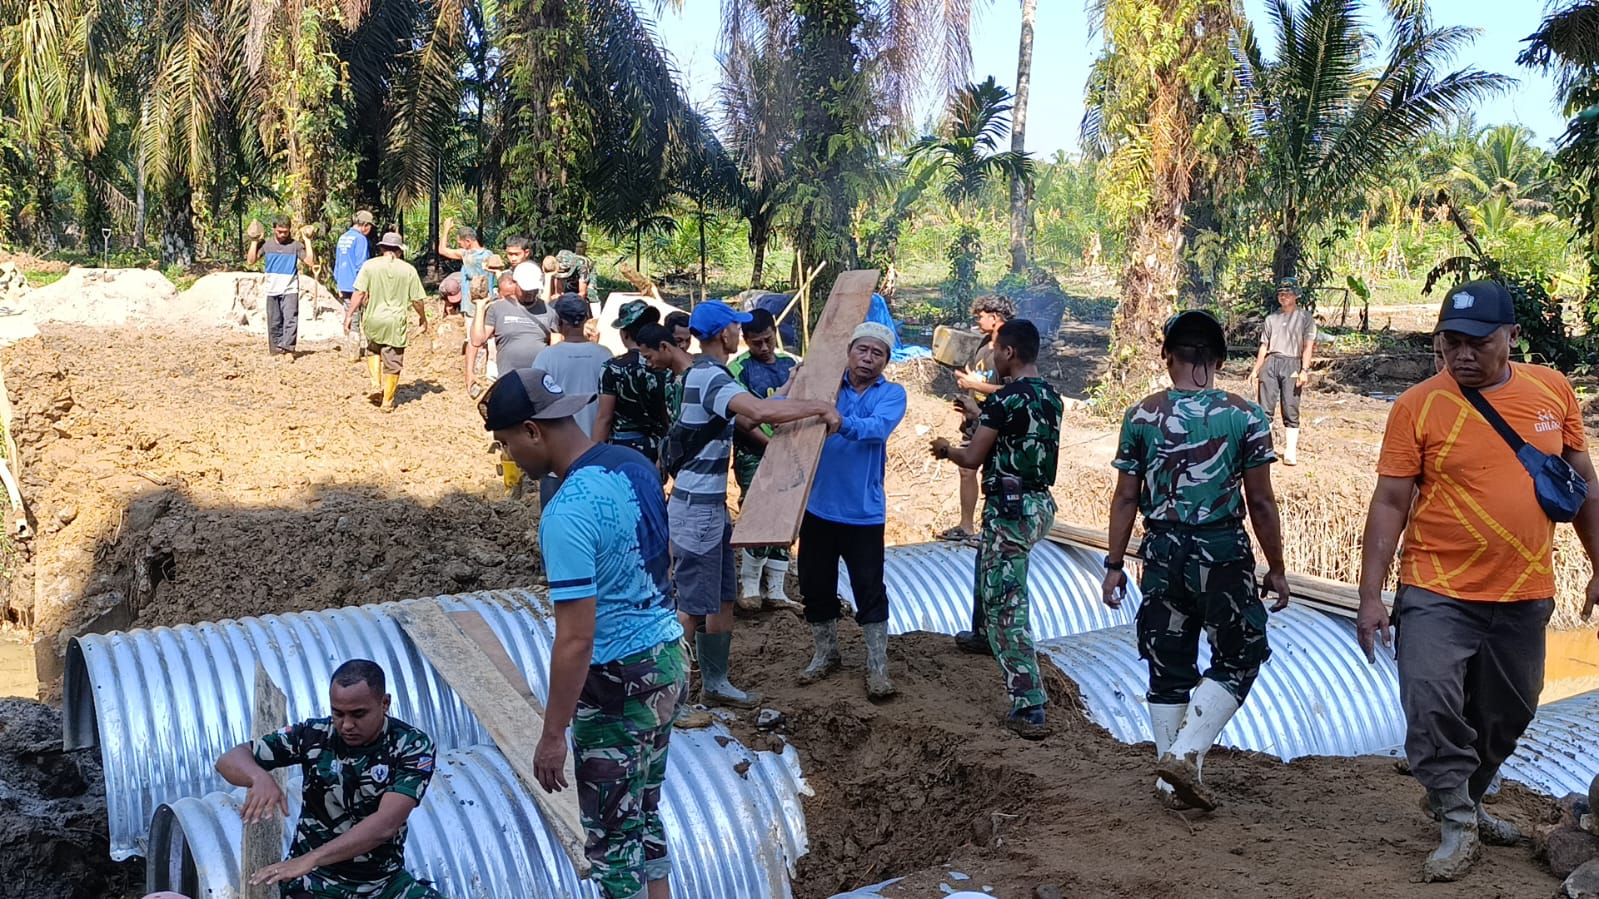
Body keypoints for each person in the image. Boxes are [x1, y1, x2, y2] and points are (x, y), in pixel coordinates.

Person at [1355, 279, 1599, 883]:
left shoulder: (1552, 391)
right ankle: (1459, 820)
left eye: (1477, 343)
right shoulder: (1418, 405)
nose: (1462, 355)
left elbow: (1583, 485)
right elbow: (1390, 502)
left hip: (1524, 589)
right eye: (1450, 342)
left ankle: (1462, 793)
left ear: (1511, 337)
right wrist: (1370, 596)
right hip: (1437, 586)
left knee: (1508, 713)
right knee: (1430, 698)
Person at [480, 369, 687, 899]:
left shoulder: (567, 512)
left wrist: (553, 734)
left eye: (505, 443)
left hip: (617, 682)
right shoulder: (633, 464)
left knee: (612, 842)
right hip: (665, 659)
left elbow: (576, 638)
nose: (508, 457)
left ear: (532, 430)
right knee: (641, 814)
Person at [1101, 309, 1290, 812]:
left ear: (1168, 357)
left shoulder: (1141, 414)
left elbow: (1125, 498)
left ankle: (1172, 784)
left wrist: (1114, 563)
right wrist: (1276, 566)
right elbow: (1261, 503)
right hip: (1221, 551)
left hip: (1160, 552)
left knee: (1168, 663)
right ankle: (1184, 757)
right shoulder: (1244, 414)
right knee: (1241, 654)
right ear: (1220, 359)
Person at [634, 303, 840, 708]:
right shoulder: (709, 377)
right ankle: (671, 699)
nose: (739, 334)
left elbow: (745, 418)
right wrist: (819, 407)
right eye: (736, 327)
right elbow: (760, 412)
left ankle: (716, 683)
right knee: (691, 608)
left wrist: (791, 390)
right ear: (722, 334)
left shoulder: (704, 375)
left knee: (723, 597)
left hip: (709, 508)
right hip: (697, 512)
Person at [930, 319, 1061, 739]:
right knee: (988, 558)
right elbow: (1015, 435)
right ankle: (982, 634)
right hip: (1039, 503)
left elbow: (971, 459)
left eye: (998, 349)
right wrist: (978, 413)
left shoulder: (1005, 401)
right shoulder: (1049, 397)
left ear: (1010, 353)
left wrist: (946, 449)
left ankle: (1029, 704)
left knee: (1007, 600)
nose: (994, 355)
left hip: (1011, 508)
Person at [214, 659, 440, 899]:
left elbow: (385, 825)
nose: (347, 725)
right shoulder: (314, 736)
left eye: (358, 714)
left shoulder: (411, 746)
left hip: (382, 883)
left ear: (384, 704)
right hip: (315, 882)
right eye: (338, 713)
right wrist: (258, 777)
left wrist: (310, 859)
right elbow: (228, 760)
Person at [797, 321, 907, 699]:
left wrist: (839, 421)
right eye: (862, 350)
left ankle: (877, 667)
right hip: (818, 507)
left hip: (863, 513)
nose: (868, 359)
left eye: (878, 353)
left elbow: (876, 429)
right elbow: (783, 407)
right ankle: (826, 653)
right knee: (814, 584)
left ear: (886, 361)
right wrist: (795, 385)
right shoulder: (825, 388)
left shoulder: (892, 394)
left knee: (869, 588)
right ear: (849, 352)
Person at [728, 308, 802, 612]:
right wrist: (771, 445)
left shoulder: (790, 365)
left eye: (768, 340)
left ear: (775, 333)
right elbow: (744, 418)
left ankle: (776, 590)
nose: (763, 347)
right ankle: (749, 585)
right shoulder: (738, 369)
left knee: (785, 516)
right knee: (759, 513)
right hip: (754, 453)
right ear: (745, 340)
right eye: (756, 342)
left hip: (791, 452)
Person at [944, 295, 1016, 544]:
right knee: (966, 469)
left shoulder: (1009, 347)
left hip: (997, 419)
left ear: (994, 317)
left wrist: (975, 385)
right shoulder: (984, 343)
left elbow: (1015, 391)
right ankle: (966, 525)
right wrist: (969, 392)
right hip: (976, 416)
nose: (977, 321)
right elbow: (981, 379)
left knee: (995, 474)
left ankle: (993, 529)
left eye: (980, 316)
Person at [532, 295, 614, 505]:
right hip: (595, 454)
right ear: (587, 318)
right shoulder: (604, 355)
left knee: (555, 519)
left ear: (559, 322)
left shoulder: (547, 357)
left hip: (556, 457)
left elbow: (535, 403)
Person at [344, 232, 429, 413]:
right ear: (399, 251)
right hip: (395, 322)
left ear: (382, 248)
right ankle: (388, 401)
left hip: (373, 319)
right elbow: (417, 300)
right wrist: (423, 317)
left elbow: (358, 293)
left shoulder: (369, 266)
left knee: (373, 349)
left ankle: (375, 384)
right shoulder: (408, 270)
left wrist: (349, 314)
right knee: (393, 361)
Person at [1247, 277, 1316, 466]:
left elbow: (1307, 346)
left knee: (1291, 406)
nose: (1283, 296)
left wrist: (1304, 370)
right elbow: (1263, 346)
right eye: (1281, 293)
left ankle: (1290, 451)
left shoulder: (1305, 318)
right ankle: (1265, 448)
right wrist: (1256, 370)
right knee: (1265, 407)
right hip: (1272, 362)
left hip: (1292, 363)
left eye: (1287, 293)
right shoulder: (1271, 319)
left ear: (1296, 295)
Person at [593, 300, 672, 464]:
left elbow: (604, 417)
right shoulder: (665, 365)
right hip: (658, 446)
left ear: (624, 333)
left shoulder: (612, 368)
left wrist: (593, 459)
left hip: (623, 448)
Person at [248, 216, 315, 358]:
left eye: (285, 232)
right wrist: (254, 242)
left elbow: (309, 261)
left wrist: (307, 241)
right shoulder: (267, 245)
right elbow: (251, 261)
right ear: (274, 230)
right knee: (274, 321)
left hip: (290, 289)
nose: (283, 235)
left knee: (290, 320)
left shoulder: (295, 246)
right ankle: (276, 350)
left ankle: (288, 350)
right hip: (272, 289)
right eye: (279, 232)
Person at [472, 272, 559, 379]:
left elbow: (556, 349)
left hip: (539, 379)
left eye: (534, 289)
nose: (530, 293)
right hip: (509, 378)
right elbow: (477, 340)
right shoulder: (497, 308)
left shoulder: (548, 310)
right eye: (526, 289)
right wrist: (480, 306)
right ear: (516, 285)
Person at [333, 211, 375, 361]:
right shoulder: (361, 239)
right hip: (357, 284)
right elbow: (361, 265)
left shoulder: (343, 238)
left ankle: (352, 352)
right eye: (370, 226)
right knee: (365, 316)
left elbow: (337, 263)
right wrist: (366, 288)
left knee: (350, 315)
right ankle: (366, 350)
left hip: (344, 283)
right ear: (365, 225)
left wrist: (338, 283)